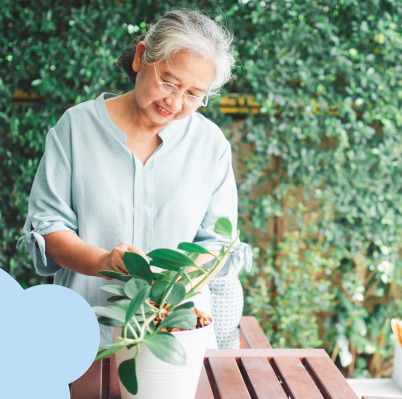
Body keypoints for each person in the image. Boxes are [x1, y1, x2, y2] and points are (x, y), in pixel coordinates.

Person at [17, 8, 251, 348]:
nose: (174, 101)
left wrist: (171, 288)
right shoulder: (76, 128)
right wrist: (103, 262)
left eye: (193, 94)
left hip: (177, 339)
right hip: (83, 336)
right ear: (142, 57)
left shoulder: (210, 145)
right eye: (169, 81)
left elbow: (216, 244)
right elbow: (49, 228)